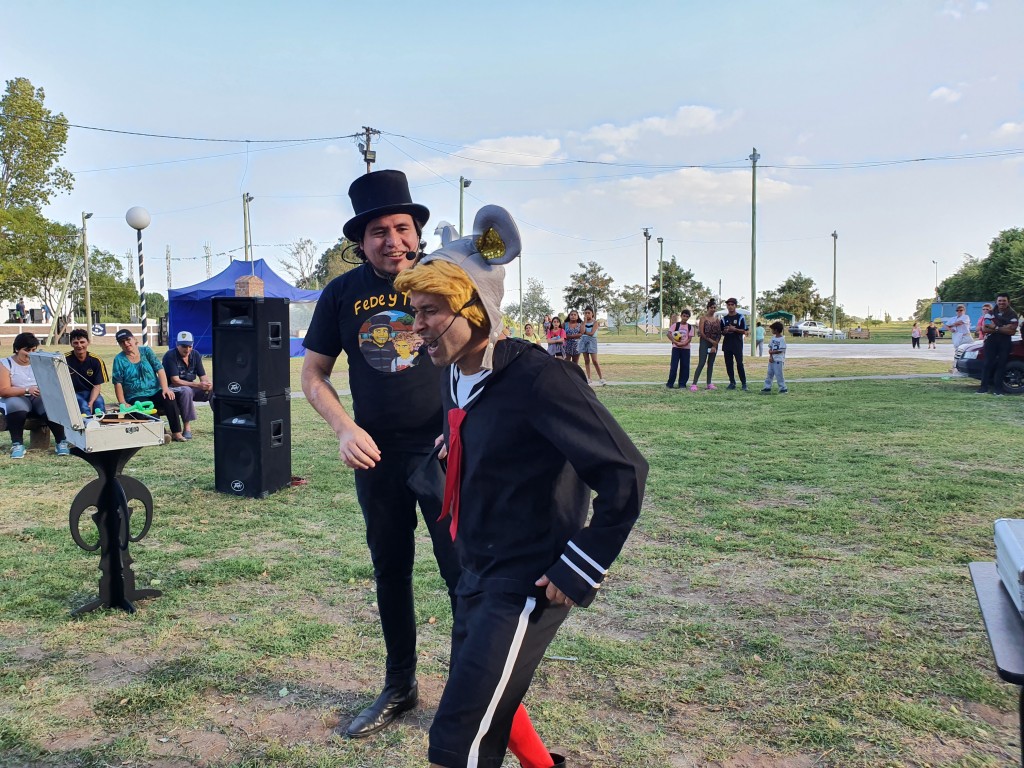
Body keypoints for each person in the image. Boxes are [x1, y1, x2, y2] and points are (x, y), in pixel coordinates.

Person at [393, 205, 647, 768]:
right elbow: (485, 432)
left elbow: (625, 471)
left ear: (475, 309)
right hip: (474, 568)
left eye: (430, 311)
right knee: (491, 699)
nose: (417, 325)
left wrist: (579, 566)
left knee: (458, 741)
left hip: (525, 582)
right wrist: (456, 446)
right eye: (415, 311)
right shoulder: (455, 373)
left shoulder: (540, 378)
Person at [300, 170, 461, 739]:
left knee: (462, 574)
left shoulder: (448, 279)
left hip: (444, 454)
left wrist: (463, 425)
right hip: (376, 457)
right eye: (378, 232)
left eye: (402, 228)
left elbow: (484, 354)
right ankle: (400, 686)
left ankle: (471, 692)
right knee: (391, 571)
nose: (393, 241)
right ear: (360, 241)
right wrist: (343, 428)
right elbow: (313, 375)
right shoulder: (341, 294)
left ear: (417, 232)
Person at [0, 332, 70, 458]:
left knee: (50, 404)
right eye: (27, 350)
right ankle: (17, 444)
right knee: (15, 405)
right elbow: (3, 390)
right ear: (17, 349)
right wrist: (27, 390)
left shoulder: (39, 361)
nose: (30, 354)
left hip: (37, 396)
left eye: (33, 350)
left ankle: (61, 441)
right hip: (15, 397)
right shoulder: (5, 364)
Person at [112, 329, 185, 442]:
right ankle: (161, 433)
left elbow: (159, 369)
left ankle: (177, 433)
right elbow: (118, 382)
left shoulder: (146, 351)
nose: (126, 343)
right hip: (135, 395)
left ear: (134, 339)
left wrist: (165, 388)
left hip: (155, 390)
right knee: (144, 407)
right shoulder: (119, 359)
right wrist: (122, 402)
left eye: (128, 339)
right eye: (122, 342)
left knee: (169, 398)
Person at [162, 330, 212, 440]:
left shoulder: (195, 354)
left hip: (191, 387)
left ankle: (219, 421)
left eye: (190, 346)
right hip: (172, 388)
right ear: (177, 345)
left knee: (213, 390)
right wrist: (198, 385)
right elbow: (175, 380)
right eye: (184, 346)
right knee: (186, 390)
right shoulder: (170, 355)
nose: (187, 349)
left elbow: (203, 376)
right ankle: (187, 427)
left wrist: (207, 384)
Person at [976, 293, 1019, 395]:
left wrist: (995, 327)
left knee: (1001, 365)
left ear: (1008, 302)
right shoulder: (990, 313)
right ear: (996, 301)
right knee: (987, 364)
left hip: (1005, 342)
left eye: (1004, 301)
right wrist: (1004, 327)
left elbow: (1012, 331)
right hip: (991, 341)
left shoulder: (1013, 314)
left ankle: (998, 390)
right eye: (999, 300)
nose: (1001, 303)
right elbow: (985, 328)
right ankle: (983, 388)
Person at [65, 328, 108, 415]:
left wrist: (91, 402)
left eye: (82, 342)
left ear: (88, 342)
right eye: (76, 343)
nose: (79, 345)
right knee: (84, 406)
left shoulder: (96, 360)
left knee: (99, 403)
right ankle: (87, 423)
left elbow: (97, 385)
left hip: (91, 392)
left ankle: (100, 422)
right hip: (72, 394)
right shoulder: (64, 360)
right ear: (71, 344)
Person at [690, 299, 722, 391]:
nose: (713, 309)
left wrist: (714, 345)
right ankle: (694, 384)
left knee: (710, 363)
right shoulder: (703, 319)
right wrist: (711, 341)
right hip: (705, 342)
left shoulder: (717, 320)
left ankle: (709, 383)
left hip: (714, 344)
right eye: (711, 307)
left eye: (714, 308)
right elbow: (702, 332)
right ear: (708, 308)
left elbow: (719, 333)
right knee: (701, 363)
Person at [720, 298, 748, 390]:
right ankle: (732, 382)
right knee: (729, 364)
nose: (730, 306)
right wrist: (725, 331)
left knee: (739, 363)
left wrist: (734, 329)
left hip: (737, 344)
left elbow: (744, 331)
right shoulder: (724, 319)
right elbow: (721, 332)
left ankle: (744, 383)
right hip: (727, 344)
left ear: (735, 306)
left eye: (732, 305)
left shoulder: (740, 317)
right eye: (728, 305)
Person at [665, 310, 694, 389]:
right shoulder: (676, 325)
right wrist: (675, 342)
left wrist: (683, 343)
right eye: (684, 316)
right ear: (681, 316)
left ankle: (682, 384)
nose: (685, 318)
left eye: (687, 316)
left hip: (685, 349)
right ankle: (670, 383)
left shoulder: (690, 327)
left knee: (685, 366)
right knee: (674, 367)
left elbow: (689, 338)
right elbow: (669, 334)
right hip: (676, 348)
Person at [578, 306, 606, 385]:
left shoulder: (595, 322)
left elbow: (591, 333)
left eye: (588, 313)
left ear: (592, 314)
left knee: (594, 360)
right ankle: (589, 378)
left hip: (592, 341)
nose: (587, 314)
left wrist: (585, 332)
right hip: (583, 341)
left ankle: (601, 378)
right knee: (586, 360)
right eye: (585, 313)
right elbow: (581, 331)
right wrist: (584, 322)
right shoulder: (583, 322)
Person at [761, 321, 788, 394]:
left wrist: (772, 352)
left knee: (779, 374)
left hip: (779, 360)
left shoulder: (782, 339)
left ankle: (783, 388)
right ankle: (767, 387)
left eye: (772, 329)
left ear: (776, 330)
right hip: (772, 359)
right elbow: (771, 348)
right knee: (769, 373)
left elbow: (781, 350)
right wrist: (771, 356)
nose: (771, 331)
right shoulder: (773, 338)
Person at [943, 304, 972, 371]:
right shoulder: (953, 318)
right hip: (957, 336)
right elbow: (946, 325)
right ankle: (955, 367)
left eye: (961, 310)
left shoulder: (966, 317)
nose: (959, 312)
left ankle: (968, 366)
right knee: (958, 352)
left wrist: (951, 325)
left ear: (964, 311)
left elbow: (960, 322)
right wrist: (950, 329)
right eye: (957, 310)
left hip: (966, 336)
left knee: (969, 351)